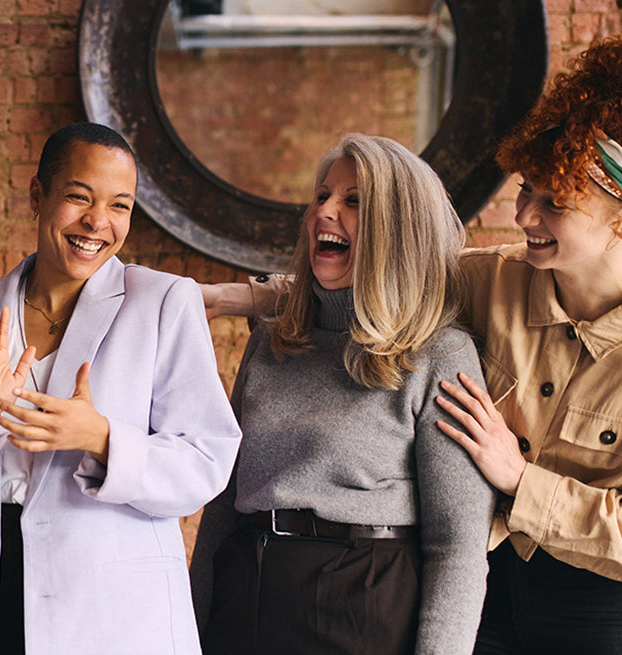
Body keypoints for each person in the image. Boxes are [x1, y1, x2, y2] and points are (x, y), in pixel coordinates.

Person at [0, 122, 241, 654]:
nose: (98, 221)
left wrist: (101, 438)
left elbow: (207, 460)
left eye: (119, 205)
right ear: (37, 196)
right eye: (79, 197)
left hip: (113, 617)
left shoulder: (163, 304)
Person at [190, 134, 495, 655]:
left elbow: (457, 547)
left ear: (397, 228)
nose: (323, 212)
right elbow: (221, 508)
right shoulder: (273, 338)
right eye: (322, 196)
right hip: (244, 597)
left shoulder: (440, 354)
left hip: (362, 609)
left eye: (353, 201)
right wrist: (186, 631)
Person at [432, 36, 622, 654]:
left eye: (555, 203)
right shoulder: (493, 279)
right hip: (483, 578)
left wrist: (519, 479)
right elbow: (385, 289)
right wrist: (238, 298)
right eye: (525, 190)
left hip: (599, 607)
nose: (523, 217)